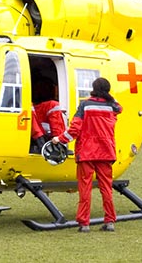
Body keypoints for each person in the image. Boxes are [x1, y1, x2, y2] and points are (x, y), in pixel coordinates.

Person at [52, 77, 122, 233]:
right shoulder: (112, 106)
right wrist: (109, 96)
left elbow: (75, 130)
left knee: (85, 188)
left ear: (93, 88)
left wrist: (60, 139)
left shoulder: (85, 105)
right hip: (106, 152)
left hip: (87, 152)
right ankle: (110, 221)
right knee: (106, 188)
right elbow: (119, 108)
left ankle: (84, 223)